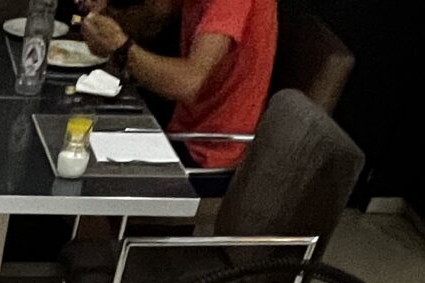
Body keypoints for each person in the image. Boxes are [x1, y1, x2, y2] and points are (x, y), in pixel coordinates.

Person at [76, 0, 276, 168]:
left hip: (207, 152)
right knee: (77, 137)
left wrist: (120, 47)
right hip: (178, 132)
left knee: (80, 159)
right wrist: (108, 15)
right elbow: (155, 18)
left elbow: (188, 84)